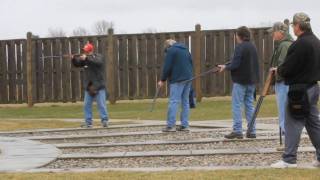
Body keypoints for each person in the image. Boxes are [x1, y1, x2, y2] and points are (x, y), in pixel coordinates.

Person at [271, 12, 320, 168]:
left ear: (298, 26)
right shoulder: (316, 42)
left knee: (292, 123)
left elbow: (288, 68)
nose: (293, 28)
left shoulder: (299, 44)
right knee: (313, 124)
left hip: (299, 91)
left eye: (293, 25)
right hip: (313, 87)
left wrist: (279, 70)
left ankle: (289, 159)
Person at [218, 26, 260, 139]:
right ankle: (252, 131)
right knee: (249, 106)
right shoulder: (253, 47)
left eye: (236, 35)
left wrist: (225, 67)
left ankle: (237, 130)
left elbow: (235, 64)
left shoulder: (240, 47)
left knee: (237, 106)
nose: (235, 37)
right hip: (251, 81)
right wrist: (226, 65)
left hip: (240, 81)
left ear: (240, 35)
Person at [158, 39, 193, 132]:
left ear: (168, 46)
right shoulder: (185, 50)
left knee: (174, 101)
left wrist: (162, 80)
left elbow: (167, 67)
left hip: (177, 79)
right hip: (188, 78)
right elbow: (191, 63)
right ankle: (185, 125)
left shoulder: (171, 50)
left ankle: (170, 125)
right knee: (185, 102)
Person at [71, 42, 109, 128]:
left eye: (86, 50)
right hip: (89, 86)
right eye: (84, 51)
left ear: (90, 50)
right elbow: (77, 64)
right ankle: (88, 122)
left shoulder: (98, 56)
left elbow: (98, 63)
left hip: (99, 85)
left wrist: (86, 59)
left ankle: (104, 120)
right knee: (86, 105)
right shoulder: (85, 60)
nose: (84, 52)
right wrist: (73, 59)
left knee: (101, 104)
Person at [268, 22, 293, 135]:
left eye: (274, 32)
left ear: (280, 32)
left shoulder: (283, 46)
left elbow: (282, 65)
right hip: (285, 81)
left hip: (283, 82)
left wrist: (275, 71)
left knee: (283, 110)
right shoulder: (285, 44)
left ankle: (286, 136)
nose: (272, 34)